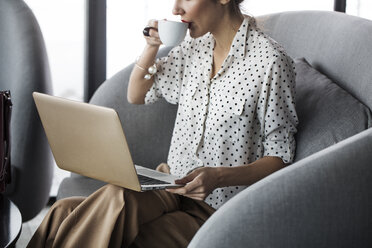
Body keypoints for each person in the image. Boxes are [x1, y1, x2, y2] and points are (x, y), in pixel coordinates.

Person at [27, 0, 298, 247]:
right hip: (169, 183)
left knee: (110, 229)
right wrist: (151, 47)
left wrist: (217, 176)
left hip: (217, 209)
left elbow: (281, 157)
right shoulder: (195, 47)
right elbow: (137, 94)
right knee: (66, 210)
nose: (176, 9)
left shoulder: (270, 63)